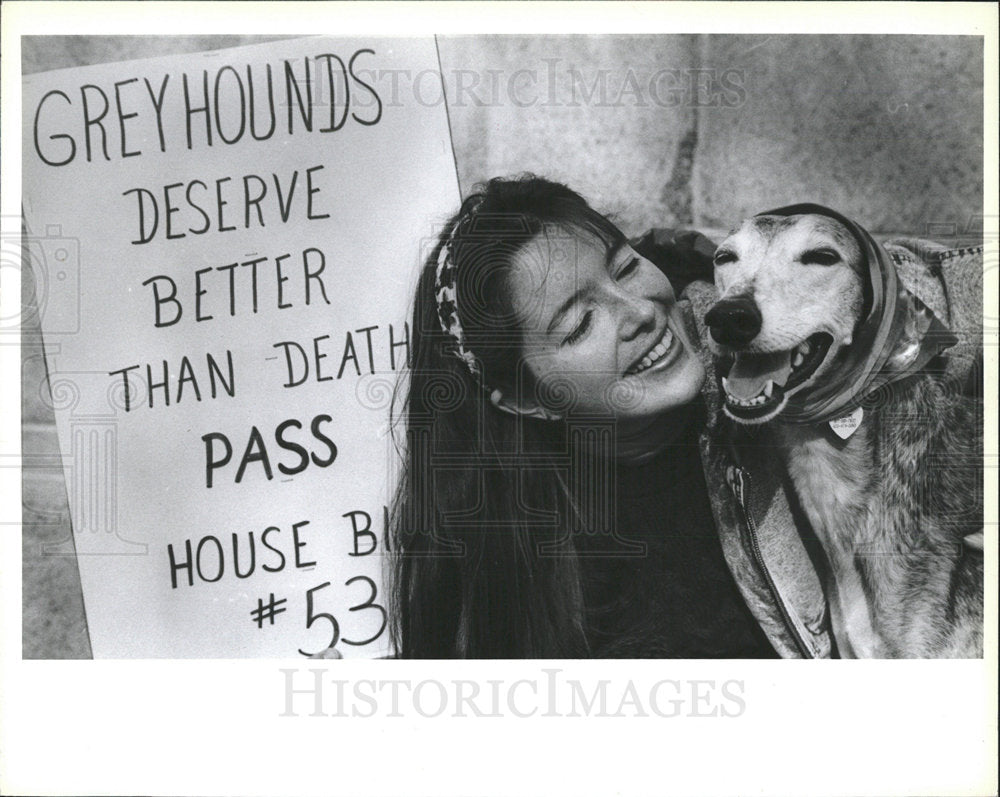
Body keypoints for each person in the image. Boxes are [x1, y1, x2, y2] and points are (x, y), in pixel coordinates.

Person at [387, 174, 978, 659]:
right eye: (579, 324)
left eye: (624, 267)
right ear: (526, 398)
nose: (639, 310)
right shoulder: (547, 574)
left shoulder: (737, 334)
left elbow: (938, 290)